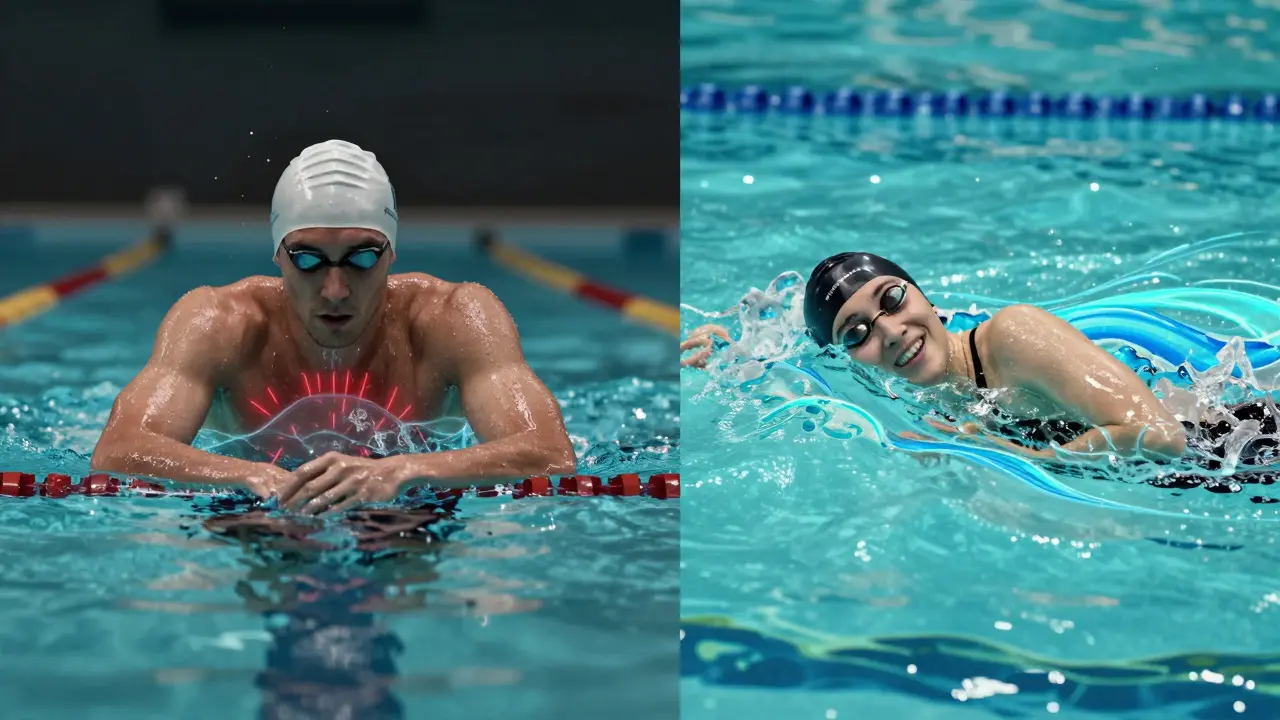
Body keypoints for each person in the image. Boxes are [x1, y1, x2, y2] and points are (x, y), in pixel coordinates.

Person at [91, 139, 577, 514]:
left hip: (414, 505)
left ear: (392, 252)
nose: (335, 289)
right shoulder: (218, 322)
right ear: (278, 254)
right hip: (252, 506)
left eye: (362, 257)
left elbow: (548, 453)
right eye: (308, 260)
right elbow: (120, 449)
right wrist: (252, 476)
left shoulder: (455, 317)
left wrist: (404, 470)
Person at [685, 251, 1280, 473]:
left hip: (1245, 446)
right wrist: (734, 357)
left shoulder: (1012, 337)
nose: (890, 332)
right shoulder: (920, 388)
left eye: (892, 299)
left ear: (927, 297)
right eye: (858, 333)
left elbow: (1162, 434)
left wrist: (1026, 456)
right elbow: (798, 350)